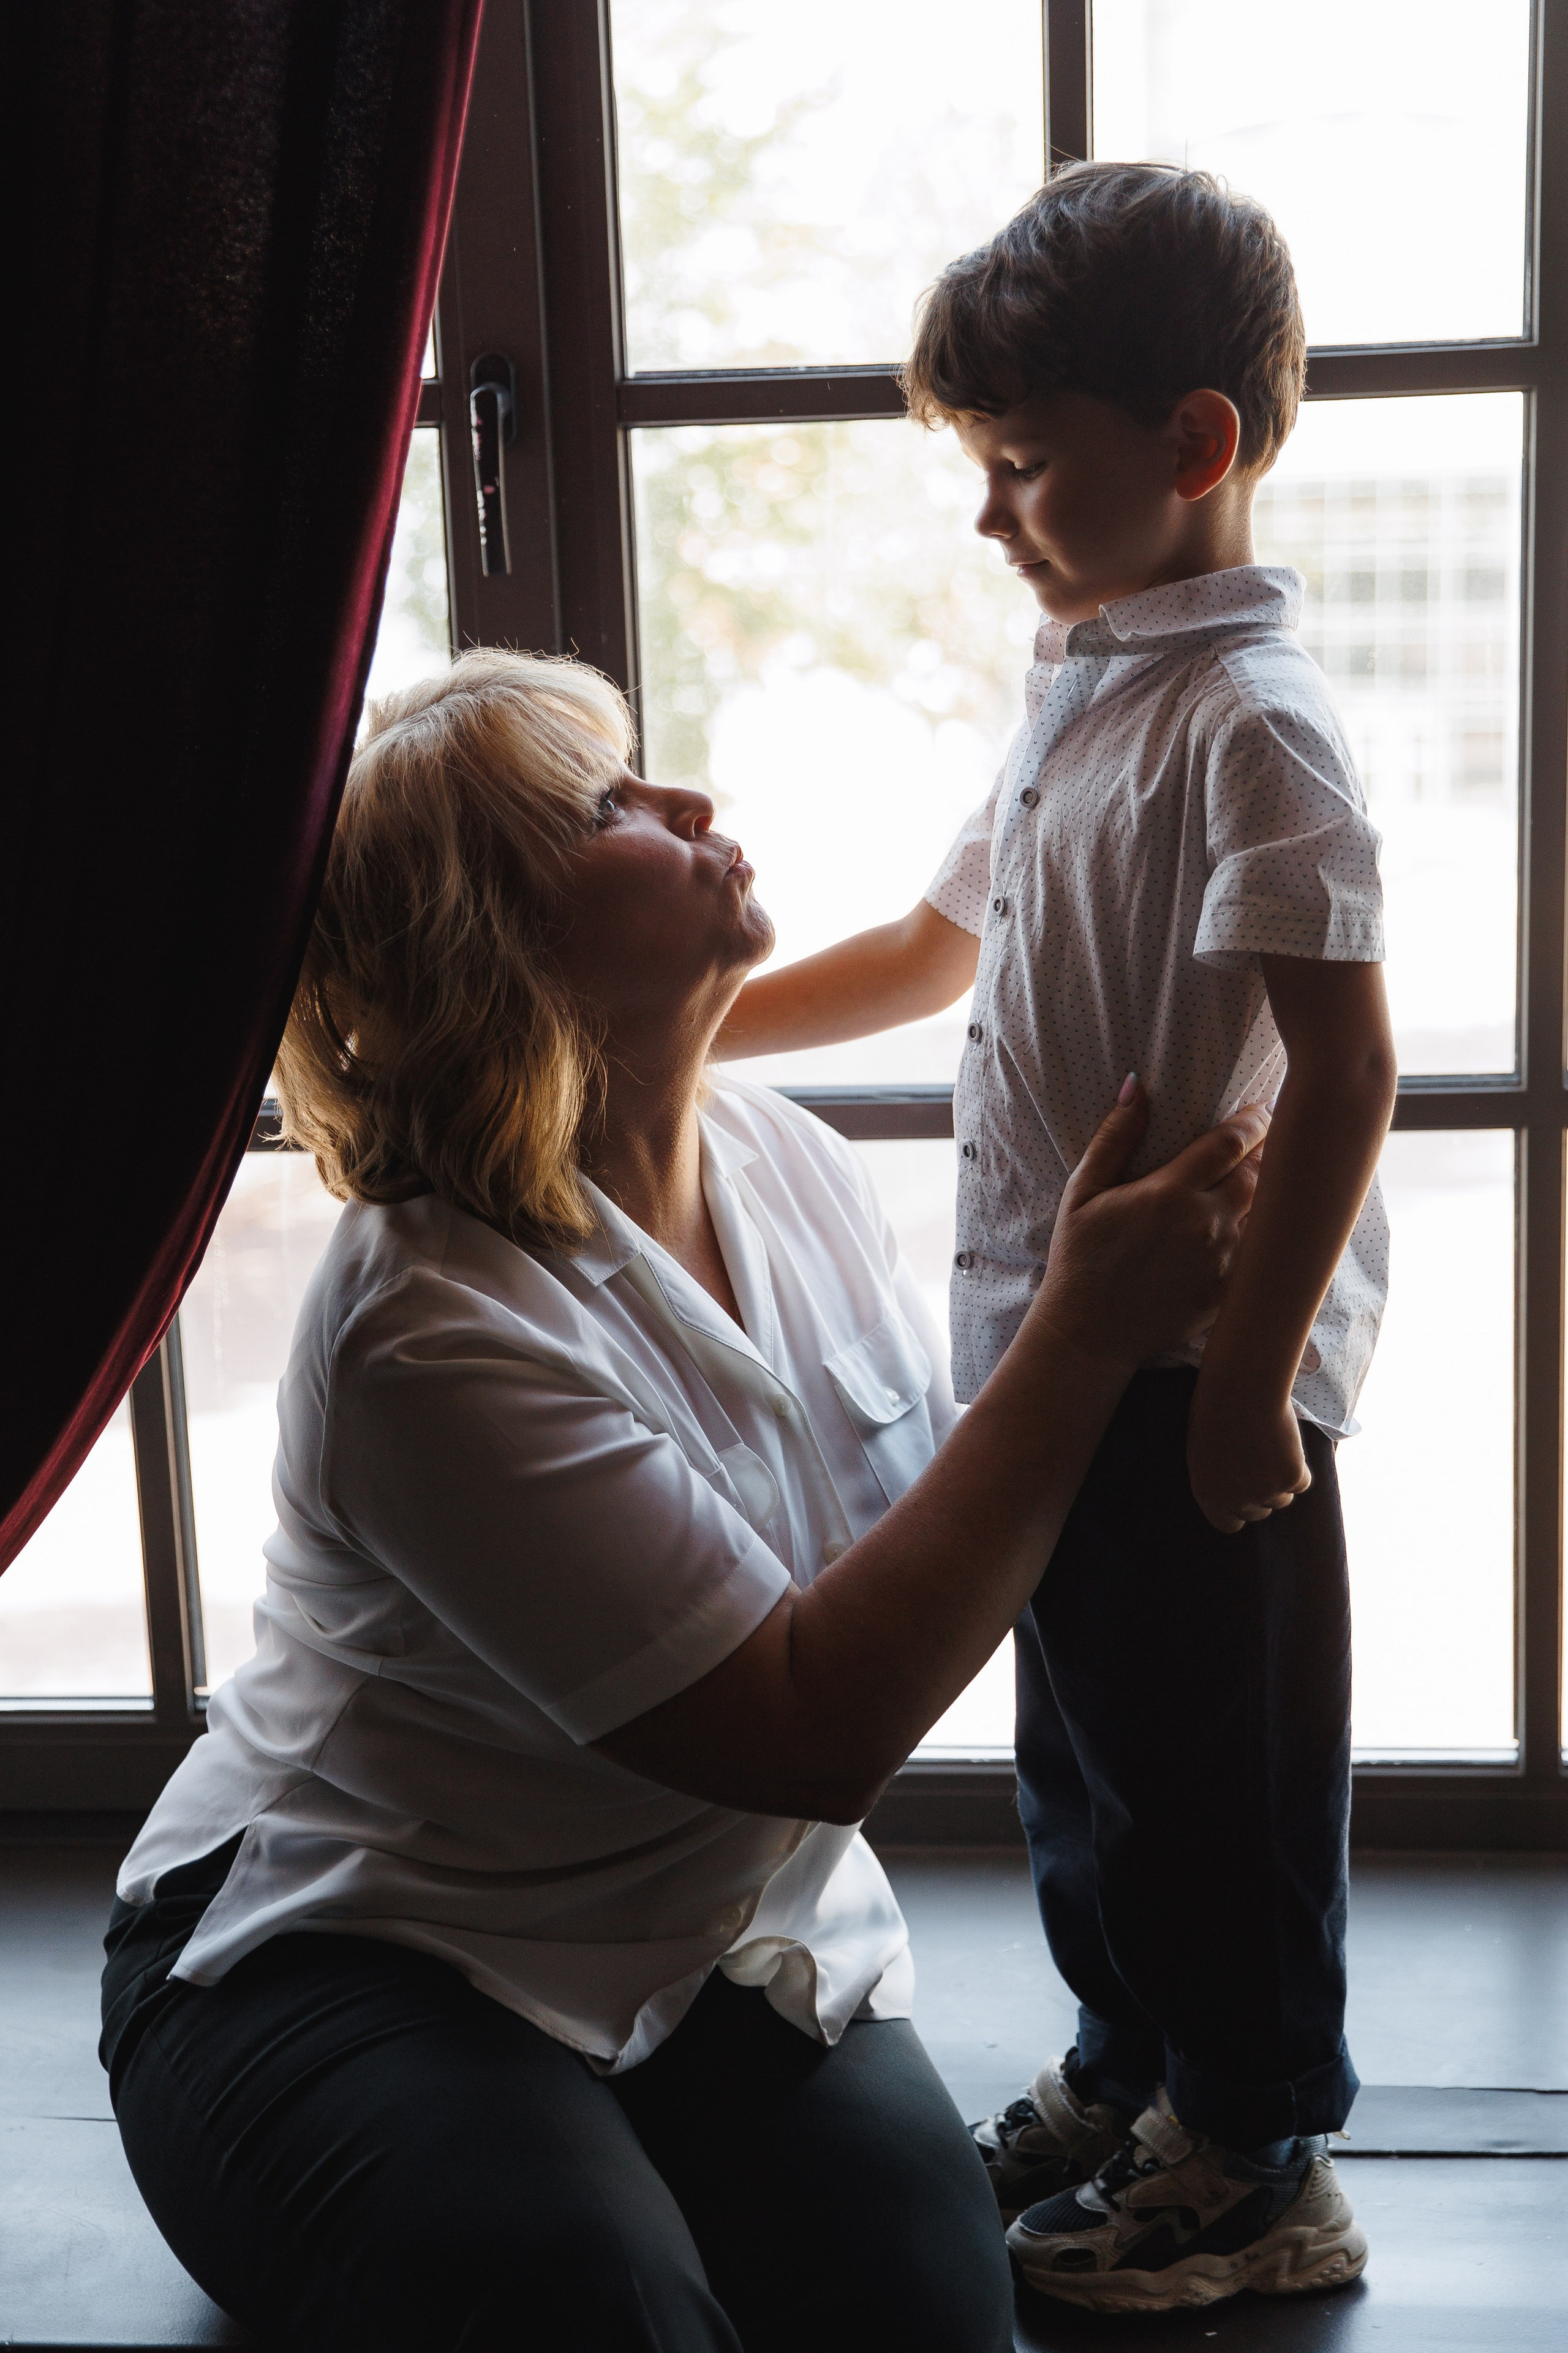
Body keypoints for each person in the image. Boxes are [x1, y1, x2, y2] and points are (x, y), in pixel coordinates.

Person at [101, 650, 1268, 2353]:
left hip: (717, 1948)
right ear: (496, 946)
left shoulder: (788, 1164)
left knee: (927, 2308)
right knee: (591, 2298)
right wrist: (1084, 1327)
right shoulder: (425, 1324)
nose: (689, 802)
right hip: (363, 1942)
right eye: (607, 806)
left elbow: (947, 1525)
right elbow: (810, 1730)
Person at [715, 162, 1396, 2315]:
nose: (989, 516)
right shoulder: (1081, 687)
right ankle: (1134, 2066)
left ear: (1195, 444)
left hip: (1201, 1374)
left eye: (1020, 465)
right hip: (1056, 1352)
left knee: (1220, 1785)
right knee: (1087, 1758)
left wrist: (1257, 1384)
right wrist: (688, 1022)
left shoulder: (1255, 724)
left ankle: (1260, 2149)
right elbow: (936, 943)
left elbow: (1349, 1073)